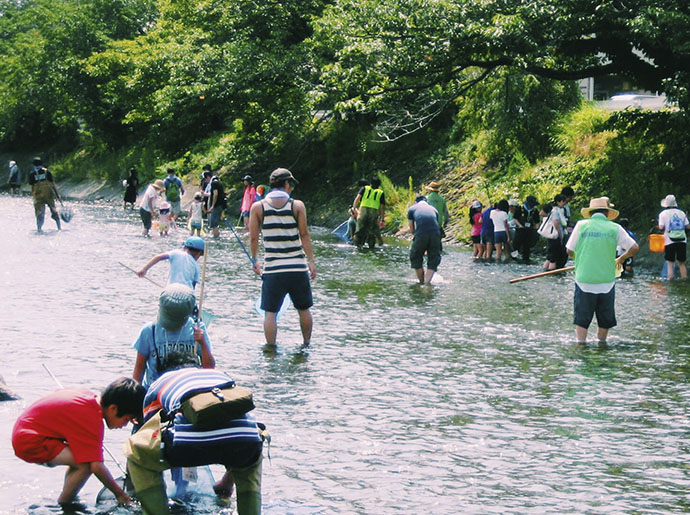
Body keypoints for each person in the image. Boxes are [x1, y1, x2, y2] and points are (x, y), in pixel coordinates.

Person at [125, 366, 264, 515]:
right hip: (248, 442)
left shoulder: (156, 387)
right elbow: (232, 427)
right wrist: (227, 482)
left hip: (189, 445)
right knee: (249, 456)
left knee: (137, 452)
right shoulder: (219, 375)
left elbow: (152, 430)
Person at [12, 377, 145, 506]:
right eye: (127, 419)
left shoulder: (88, 398)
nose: (125, 424)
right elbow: (96, 466)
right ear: (113, 409)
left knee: (81, 458)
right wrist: (120, 495)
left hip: (24, 429)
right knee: (85, 465)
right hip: (29, 441)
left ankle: (69, 495)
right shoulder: (92, 419)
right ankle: (65, 505)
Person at [249, 168, 316, 347]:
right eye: (291, 184)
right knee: (304, 309)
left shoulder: (258, 207)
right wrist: (311, 262)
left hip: (273, 270)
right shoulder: (297, 206)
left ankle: (271, 349)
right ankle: (306, 344)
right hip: (297, 268)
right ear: (286, 184)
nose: (292, 188)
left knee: (270, 313)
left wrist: (255, 260)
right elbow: (305, 234)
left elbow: (253, 237)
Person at [566, 197, 638, 346]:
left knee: (582, 316)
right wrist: (621, 259)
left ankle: (581, 343)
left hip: (584, 278)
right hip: (606, 280)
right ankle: (602, 343)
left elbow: (569, 250)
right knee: (605, 317)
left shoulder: (581, 225)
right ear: (607, 212)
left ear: (591, 212)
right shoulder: (614, 228)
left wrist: (580, 259)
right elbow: (634, 248)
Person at [132, 284, 214, 390]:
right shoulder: (149, 331)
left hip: (186, 390)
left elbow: (210, 368)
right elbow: (139, 369)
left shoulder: (197, 329)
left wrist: (203, 344)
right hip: (155, 391)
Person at [137, 236, 205, 290]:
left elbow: (158, 257)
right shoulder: (196, 266)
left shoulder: (176, 253)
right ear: (199, 254)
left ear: (184, 248)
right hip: (186, 295)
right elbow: (193, 287)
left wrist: (144, 269)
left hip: (169, 291)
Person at [408, 195, 442, 284]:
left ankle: (421, 281)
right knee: (434, 258)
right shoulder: (434, 209)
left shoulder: (412, 209)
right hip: (436, 235)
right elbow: (435, 226)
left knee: (415, 257)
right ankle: (427, 283)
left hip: (421, 234)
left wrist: (418, 242)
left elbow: (412, 230)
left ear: (416, 202)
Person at [658, 194, 690, 280]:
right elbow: (688, 227)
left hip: (669, 241)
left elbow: (661, 227)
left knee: (670, 263)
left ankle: (671, 281)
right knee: (682, 263)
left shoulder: (663, 214)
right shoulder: (681, 213)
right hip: (682, 240)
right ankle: (684, 280)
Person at [28, 157, 61, 232]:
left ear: (34, 165)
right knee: (53, 209)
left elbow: (32, 187)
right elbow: (53, 184)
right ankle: (59, 227)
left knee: (39, 213)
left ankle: (39, 229)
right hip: (49, 194)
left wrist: (34, 197)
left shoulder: (32, 174)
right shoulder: (47, 172)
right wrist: (57, 195)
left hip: (38, 195)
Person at [353, 177, 385, 249]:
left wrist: (354, 208)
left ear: (371, 183)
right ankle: (371, 247)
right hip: (373, 213)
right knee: (371, 232)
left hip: (363, 212)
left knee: (359, 231)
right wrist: (382, 218)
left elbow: (357, 199)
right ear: (379, 185)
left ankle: (357, 246)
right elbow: (382, 207)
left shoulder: (365, 188)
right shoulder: (381, 193)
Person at [542, 194, 567, 270]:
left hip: (550, 236)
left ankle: (545, 271)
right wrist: (560, 235)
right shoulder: (556, 211)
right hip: (555, 236)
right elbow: (556, 223)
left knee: (549, 257)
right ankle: (552, 275)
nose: (564, 203)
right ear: (558, 202)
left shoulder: (552, 209)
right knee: (553, 258)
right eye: (563, 201)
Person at [512, 195, 540, 263]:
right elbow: (515, 218)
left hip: (529, 231)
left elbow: (537, 222)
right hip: (520, 230)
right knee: (516, 245)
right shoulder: (520, 208)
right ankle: (514, 258)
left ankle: (526, 259)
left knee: (527, 246)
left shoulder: (535, 211)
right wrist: (520, 225)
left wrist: (536, 229)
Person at [204, 171, 226, 238]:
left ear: (208, 177)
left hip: (217, 206)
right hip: (221, 205)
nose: (205, 180)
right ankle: (216, 235)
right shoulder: (218, 182)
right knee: (215, 222)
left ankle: (216, 237)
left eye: (205, 179)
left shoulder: (214, 183)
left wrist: (212, 206)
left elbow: (215, 194)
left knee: (214, 223)